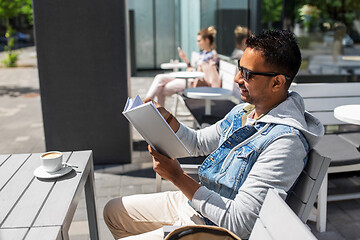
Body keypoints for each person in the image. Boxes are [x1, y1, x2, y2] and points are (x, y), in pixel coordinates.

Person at [104, 29, 324, 239]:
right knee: (113, 211)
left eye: (247, 74)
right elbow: (198, 142)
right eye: (239, 67)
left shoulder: (285, 142)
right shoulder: (244, 111)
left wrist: (178, 178)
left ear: (277, 82)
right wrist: (167, 120)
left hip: (217, 230)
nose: (237, 78)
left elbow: (240, 223)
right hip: (198, 204)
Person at [145, 26, 220, 107]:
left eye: (199, 41)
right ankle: (147, 103)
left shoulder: (212, 56)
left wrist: (193, 69)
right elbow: (195, 69)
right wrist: (185, 59)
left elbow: (206, 75)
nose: (197, 43)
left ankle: (152, 110)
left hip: (192, 83)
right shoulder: (203, 53)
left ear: (207, 40)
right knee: (159, 77)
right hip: (188, 78)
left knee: (160, 89)